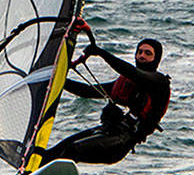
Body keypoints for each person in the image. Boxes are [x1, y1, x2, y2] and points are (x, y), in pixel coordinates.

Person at [39, 22, 170, 166]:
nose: (142, 56)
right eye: (139, 52)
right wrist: (55, 80)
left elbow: (131, 71)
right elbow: (87, 91)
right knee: (53, 152)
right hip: (106, 131)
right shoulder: (125, 83)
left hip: (120, 142)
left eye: (148, 53)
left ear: (156, 59)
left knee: (73, 150)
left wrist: (101, 53)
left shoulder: (159, 83)